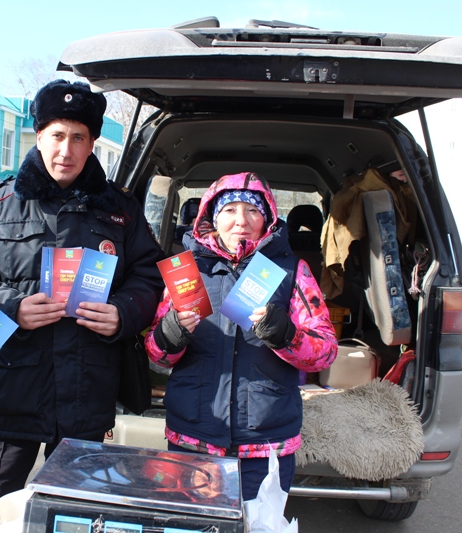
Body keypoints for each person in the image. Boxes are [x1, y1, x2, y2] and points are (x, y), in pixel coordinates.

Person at [0, 79, 165, 526]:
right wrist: (12, 308)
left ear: (92, 143)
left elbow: (149, 276)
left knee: (76, 515)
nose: (66, 149)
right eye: (57, 136)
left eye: (78, 138)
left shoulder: (121, 211)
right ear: (39, 135)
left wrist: (123, 313)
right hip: (14, 393)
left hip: (89, 391)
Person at [144, 172, 338, 501]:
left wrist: (286, 335)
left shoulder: (293, 272)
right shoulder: (186, 270)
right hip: (193, 436)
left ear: (267, 218)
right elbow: (156, 355)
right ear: (212, 217)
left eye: (252, 210)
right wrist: (171, 333)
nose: (240, 221)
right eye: (229, 210)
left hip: (265, 442)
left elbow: (326, 352)